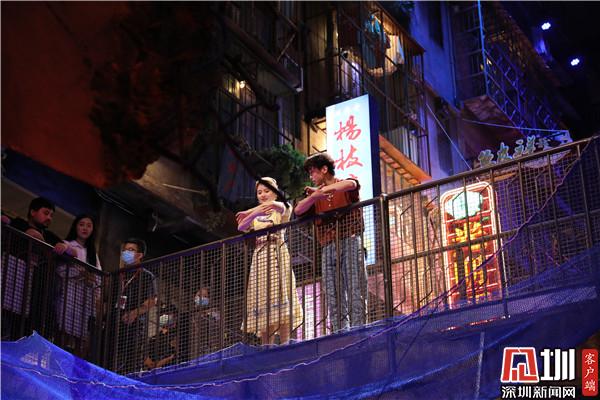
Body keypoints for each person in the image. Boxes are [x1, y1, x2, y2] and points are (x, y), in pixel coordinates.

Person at [294, 152, 367, 332]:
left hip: (349, 240)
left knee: (355, 287)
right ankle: (341, 331)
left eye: (313, 172)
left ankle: (359, 330)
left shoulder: (343, 184)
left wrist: (322, 191)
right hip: (327, 246)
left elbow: (352, 184)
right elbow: (298, 210)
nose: (311, 177)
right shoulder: (315, 196)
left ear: (324, 169)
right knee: (332, 292)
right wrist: (314, 196)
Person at [237, 177, 303, 345]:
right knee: (263, 300)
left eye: (267, 191)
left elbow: (280, 206)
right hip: (260, 258)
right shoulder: (256, 216)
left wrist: (253, 210)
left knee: (281, 296)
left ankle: (285, 344)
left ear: (275, 192)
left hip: (277, 254)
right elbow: (241, 226)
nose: (263, 195)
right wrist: (255, 213)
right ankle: (267, 347)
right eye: (259, 192)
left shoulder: (282, 208)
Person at [53, 214, 103, 359]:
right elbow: (59, 269)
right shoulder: (67, 244)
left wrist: (92, 281)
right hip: (68, 294)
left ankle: (73, 370)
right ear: (75, 226)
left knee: (82, 341)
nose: (85, 228)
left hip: (87, 300)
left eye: (89, 225)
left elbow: (98, 278)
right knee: (63, 333)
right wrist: (80, 274)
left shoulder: (93, 254)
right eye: (81, 224)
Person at [113, 238, 157, 374]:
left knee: (130, 365)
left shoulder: (147, 276)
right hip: (115, 325)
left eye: (131, 250)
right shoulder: (118, 275)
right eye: (125, 250)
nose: (126, 253)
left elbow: (151, 301)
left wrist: (134, 313)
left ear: (139, 255)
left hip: (135, 328)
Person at [144, 304, 178, 370]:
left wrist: (158, 365)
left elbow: (173, 355)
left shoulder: (176, 334)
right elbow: (147, 358)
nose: (163, 316)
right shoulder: (155, 338)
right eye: (161, 315)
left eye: (167, 314)